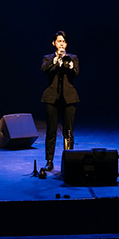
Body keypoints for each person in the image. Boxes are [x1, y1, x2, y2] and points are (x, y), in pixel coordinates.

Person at [41, 30, 80, 171]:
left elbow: (76, 73)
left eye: (63, 42)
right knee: (51, 131)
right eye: (59, 41)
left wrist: (69, 65)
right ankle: (49, 161)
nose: (61, 44)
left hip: (69, 99)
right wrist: (55, 60)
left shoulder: (73, 58)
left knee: (68, 132)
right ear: (54, 43)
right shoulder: (48, 58)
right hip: (51, 98)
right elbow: (44, 69)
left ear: (66, 44)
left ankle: (69, 160)